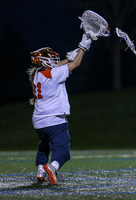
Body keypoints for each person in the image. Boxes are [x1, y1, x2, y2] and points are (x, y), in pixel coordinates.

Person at [27, 33, 93, 184]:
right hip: (54, 119)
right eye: (50, 57)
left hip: (39, 121)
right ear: (44, 60)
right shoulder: (54, 73)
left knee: (44, 146)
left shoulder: (37, 73)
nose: (54, 59)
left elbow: (58, 67)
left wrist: (69, 58)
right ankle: (52, 167)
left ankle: (41, 169)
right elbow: (75, 65)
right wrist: (83, 46)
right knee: (63, 152)